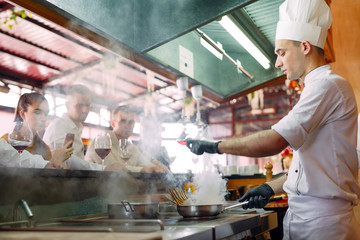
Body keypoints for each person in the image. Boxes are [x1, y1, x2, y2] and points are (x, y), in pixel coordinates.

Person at [186, 0, 360, 239]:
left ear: (306, 47)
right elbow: (307, 169)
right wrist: (270, 187)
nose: (277, 63)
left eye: (282, 52)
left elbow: (275, 140)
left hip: (324, 225)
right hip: (305, 219)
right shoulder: (315, 88)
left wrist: (215, 146)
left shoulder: (328, 85)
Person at [43, 85, 122, 171]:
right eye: (79, 105)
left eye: (88, 105)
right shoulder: (59, 126)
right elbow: (69, 160)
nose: (85, 110)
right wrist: (103, 168)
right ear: (67, 105)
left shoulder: (76, 128)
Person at [85, 105, 168, 173]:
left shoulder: (131, 147)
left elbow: (146, 164)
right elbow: (116, 169)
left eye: (131, 122)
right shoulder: (101, 142)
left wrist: (160, 168)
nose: (128, 126)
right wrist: (144, 170)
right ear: (113, 123)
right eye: (123, 121)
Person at [1, 92, 73, 168]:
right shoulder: (7, 142)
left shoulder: (45, 148)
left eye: (46, 114)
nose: (43, 118)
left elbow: (47, 176)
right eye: (37, 112)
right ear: (22, 114)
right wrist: (55, 159)